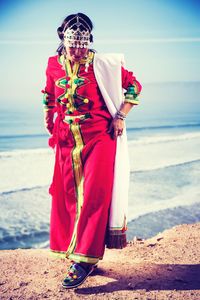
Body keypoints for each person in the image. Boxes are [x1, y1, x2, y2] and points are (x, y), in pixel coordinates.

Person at [42, 12, 142, 289]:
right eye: (72, 45)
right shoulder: (53, 64)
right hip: (66, 141)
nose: (77, 51)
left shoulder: (104, 64)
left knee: (94, 197)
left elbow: (134, 86)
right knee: (69, 197)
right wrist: (49, 120)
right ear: (63, 40)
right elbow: (49, 95)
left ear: (89, 42)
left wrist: (120, 116)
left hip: (100, 138)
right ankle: (81, 251)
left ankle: (84, 261)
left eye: (82, 45)